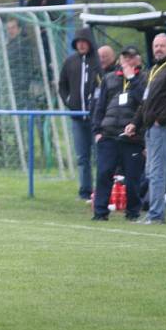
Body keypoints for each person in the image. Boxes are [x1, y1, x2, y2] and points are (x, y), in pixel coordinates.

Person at [124, 33, 166, 224]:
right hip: (151, 128)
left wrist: (160, 119)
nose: (158, 49)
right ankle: (154, 212)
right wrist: (135, 122)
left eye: (162, 46)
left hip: (163, 127)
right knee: (152, 172)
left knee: (157, 172)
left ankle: (156, 215)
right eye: (155, 45)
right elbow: (145, 102)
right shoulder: (154, 69)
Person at [91, 46, 146, 221]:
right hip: (108, 135)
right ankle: (100, 212)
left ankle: (133, 212)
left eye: (131, 58)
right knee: (104, 173)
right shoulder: (109, 79)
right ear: (120, 60)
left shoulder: (144, 79)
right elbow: (99, 106)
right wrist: (97, 131)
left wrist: (133, 79)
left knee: (132, 178)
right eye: (125, 58)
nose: (127, 61)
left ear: (138, 60)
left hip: (132, 137)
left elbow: (144, 102)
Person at [59, 27, 101, 200]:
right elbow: (62, 85)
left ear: (90, 43)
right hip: (77, 118)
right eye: (79, 42)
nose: (82, 45)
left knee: (99, 157)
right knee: (82, 157)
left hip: (95, 119)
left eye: (84, 42)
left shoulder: (97, 62)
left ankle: (101, 192)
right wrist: (69, 102)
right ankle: (84, 192)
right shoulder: (70, 62)